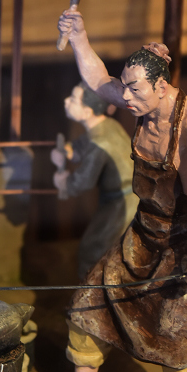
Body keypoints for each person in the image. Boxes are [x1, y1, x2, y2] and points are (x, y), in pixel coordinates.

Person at [40, 10, 187, 372]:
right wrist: (79, 36)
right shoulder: (139, 100)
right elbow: (98, 78)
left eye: (134, 89)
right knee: (89, 299)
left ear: (160, 86)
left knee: (180, 332)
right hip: (142, 231)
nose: (124, 96)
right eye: (126, 87)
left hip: (181, 243)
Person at [52, 82, 138, 281]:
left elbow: (83, 181)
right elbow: (85, 144)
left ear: (87, 111)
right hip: (123, 196)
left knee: (94, 250)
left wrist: (63, 182)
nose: (66, 101)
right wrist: (70, 151)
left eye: (74, 100)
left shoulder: (100, 143)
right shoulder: (106, 126)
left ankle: (93, 295)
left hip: (123, 203)